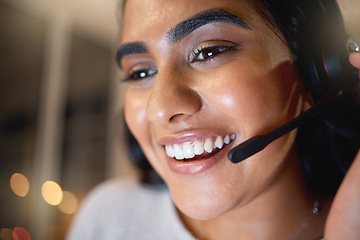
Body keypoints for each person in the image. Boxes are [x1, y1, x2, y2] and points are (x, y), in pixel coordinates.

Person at [67, 0, 360, 239]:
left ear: (316, 74)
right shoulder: (110, 219)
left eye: (208, 52)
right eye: (141, 72)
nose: (160, 108)